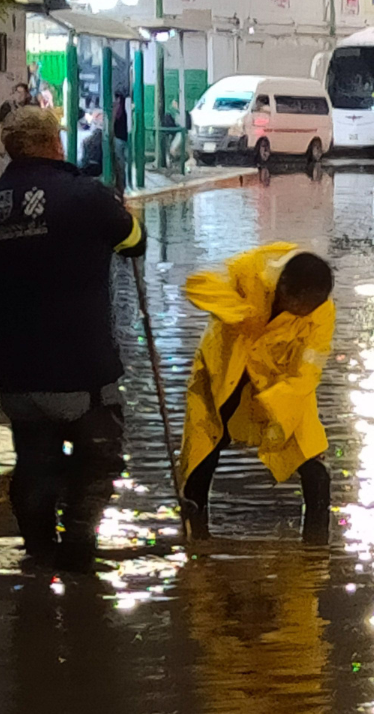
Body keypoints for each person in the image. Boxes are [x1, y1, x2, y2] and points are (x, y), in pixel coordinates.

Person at [0, 107, 145, 570]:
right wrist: (128, 216)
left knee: (34, 460)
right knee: (98, 458)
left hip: (14, 374)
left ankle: (38, 556)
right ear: (54, 143)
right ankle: (80, 552)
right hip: (83, 367)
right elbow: (133, 241)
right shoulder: (85, 195)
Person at [179, 243, 336, 544]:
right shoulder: (250, 268)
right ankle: (194, 538)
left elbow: (309, 370)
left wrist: (276, 405)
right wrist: (240, 313)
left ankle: (317, 547)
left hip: (281, 385)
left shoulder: (321, 310)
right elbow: (198, 286)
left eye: (312, 307)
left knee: (311, 459)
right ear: (285, 288)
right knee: (203, 452)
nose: (306, 313)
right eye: (301, 306)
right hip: (225, 373)